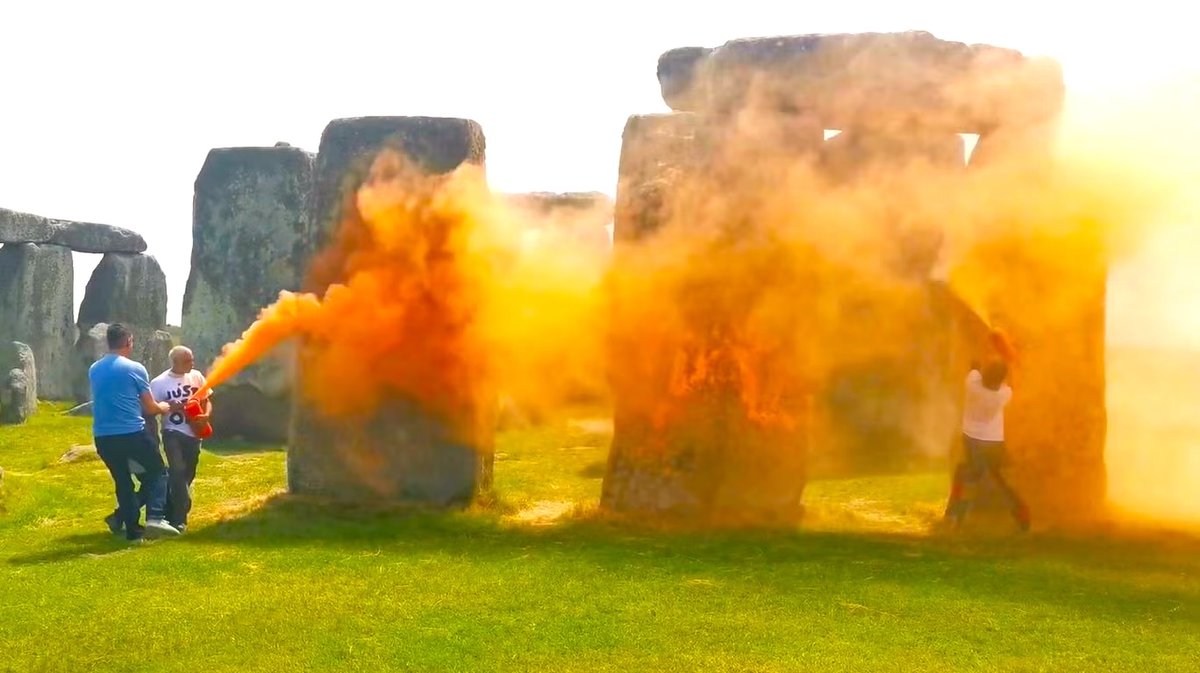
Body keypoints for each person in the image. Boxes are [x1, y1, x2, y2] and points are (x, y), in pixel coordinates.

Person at [90, 323, 181, 541]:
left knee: (123, 481)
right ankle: (155, 518)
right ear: (128, 341)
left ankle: (132, 532)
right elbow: (150, 407)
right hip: (132, 432)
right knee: (158, 472)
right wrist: (165, 407)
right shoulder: (135, 368)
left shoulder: (94, 368)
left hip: (103, 435)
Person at [943, 358, 1031, 531]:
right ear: (1000, 380)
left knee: (969, 475)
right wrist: (1009, 360)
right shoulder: (1001, 395)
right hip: (994, 443)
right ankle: (1021, 514)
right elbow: (1012, 384)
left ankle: (955, 514)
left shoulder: (972, 384)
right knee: (1002, 478)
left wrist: (978, 362)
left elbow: (974, 366)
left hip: (972, 439)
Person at [150, 345, 212, 534]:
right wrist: (169, 405)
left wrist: (206, 415)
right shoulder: (159, 382)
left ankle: (170, 511)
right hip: (172, 431)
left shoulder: (197, 376)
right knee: (177, 471)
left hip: (194, 433)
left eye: (192, 359)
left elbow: (207, 400)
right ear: (175, 362)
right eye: (187, 360)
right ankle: (180, 518)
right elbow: (152, 407)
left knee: (187, 476)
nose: (192, 363)